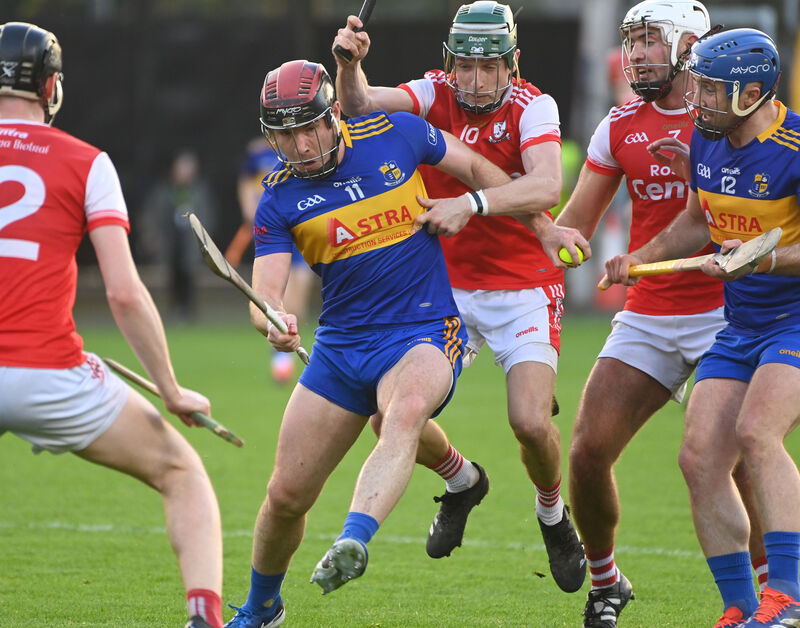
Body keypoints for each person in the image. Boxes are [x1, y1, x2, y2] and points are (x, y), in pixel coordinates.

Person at [222, 57, 573, 627]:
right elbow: (267, 294)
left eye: (306, 126)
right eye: (283, 133)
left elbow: (482, 171)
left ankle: (354, 539)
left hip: (424, 331)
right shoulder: (279, 199)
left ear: (331, 114)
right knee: (285, 496)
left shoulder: (398, 134)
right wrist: (275, 321)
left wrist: (545, 226)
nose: (299, 144)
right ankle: (262, 608)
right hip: (339, 348)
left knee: (404, 412)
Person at [332, 0, 589, 592]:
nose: (475, 81)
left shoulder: (534, 106)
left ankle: (552, 513)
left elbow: (547, 183)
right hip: (445, 290)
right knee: (387, 417)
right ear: (450, 63)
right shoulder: (433, 92)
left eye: (489, 67)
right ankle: (462, 480)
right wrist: (347, 65)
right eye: (465, 67)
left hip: (525, 285)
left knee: (529, 422)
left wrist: (469, 204)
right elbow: (360, 106)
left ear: (512, 63)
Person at [0, 22, 223, 628]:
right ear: (50, 86)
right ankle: (206, 617)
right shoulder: (87, 162)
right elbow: (124, 293)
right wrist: (171, 389)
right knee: (182, 473)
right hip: (50, 374)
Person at [554, 3, 764, 626]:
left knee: (740, 462)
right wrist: (543, 234)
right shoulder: (618, 126)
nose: (638, 54)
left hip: (729, 311)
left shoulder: (734, 116)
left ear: (690, 45)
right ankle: (606, 581)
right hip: (650, 312)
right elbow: (574, 226)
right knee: (588, 454)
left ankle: (768, 601)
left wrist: (701, 173)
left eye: (651, 41)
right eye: (633, 41)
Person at [604, 27, 800, 628]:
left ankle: (789, 597)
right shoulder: (704, 139)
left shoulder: (795, 147)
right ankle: (740, 607)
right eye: (702, 88)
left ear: (753, 91)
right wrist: (644, 256)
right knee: (698, 457)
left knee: (758, 433)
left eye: (714, 90)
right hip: (740, 326)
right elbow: (697, 220)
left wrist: (764, 258)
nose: (701, 100)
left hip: (794, 323)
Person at [224, 137, 318, 383]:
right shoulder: (257, 154)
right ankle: (281, 359)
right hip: (276, 231)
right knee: (278, 297)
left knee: (298, 299)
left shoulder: (307, 149)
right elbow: (245, 183)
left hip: (304, 230)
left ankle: (289, 347)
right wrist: (249, 210)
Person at [139, 148, 217, 323]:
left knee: (189, 274)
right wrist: (151, 237)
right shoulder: (163, 190)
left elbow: (208, 215)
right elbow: (152, 215)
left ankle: (189, 312)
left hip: (190, 241)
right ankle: (174, 310)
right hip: (170, 239)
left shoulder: (199, 191)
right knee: (172, 276)